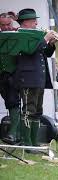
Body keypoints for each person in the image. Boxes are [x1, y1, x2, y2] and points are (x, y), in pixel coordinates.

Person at [13, 8, 56, 150]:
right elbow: (30, 51)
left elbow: (47, 54)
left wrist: (51, 43)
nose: (36, 23)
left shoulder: (35, 34)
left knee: (37, 112)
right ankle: (27, 143)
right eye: (33, 21)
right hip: (27, 78)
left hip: (39, 78)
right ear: (24, 23)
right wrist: (45, 39)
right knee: (28, 111)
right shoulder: (20, 35)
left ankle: (34, 142)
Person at [0, 11, 20, 144]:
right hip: (1, 74)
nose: (6, 27)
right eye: (3, 25)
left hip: (13, 74)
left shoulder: (18, 32)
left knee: (13, 102)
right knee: (8, 101)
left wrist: (17, 20)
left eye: (8, 24)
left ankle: (13, 133)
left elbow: (29, 30)